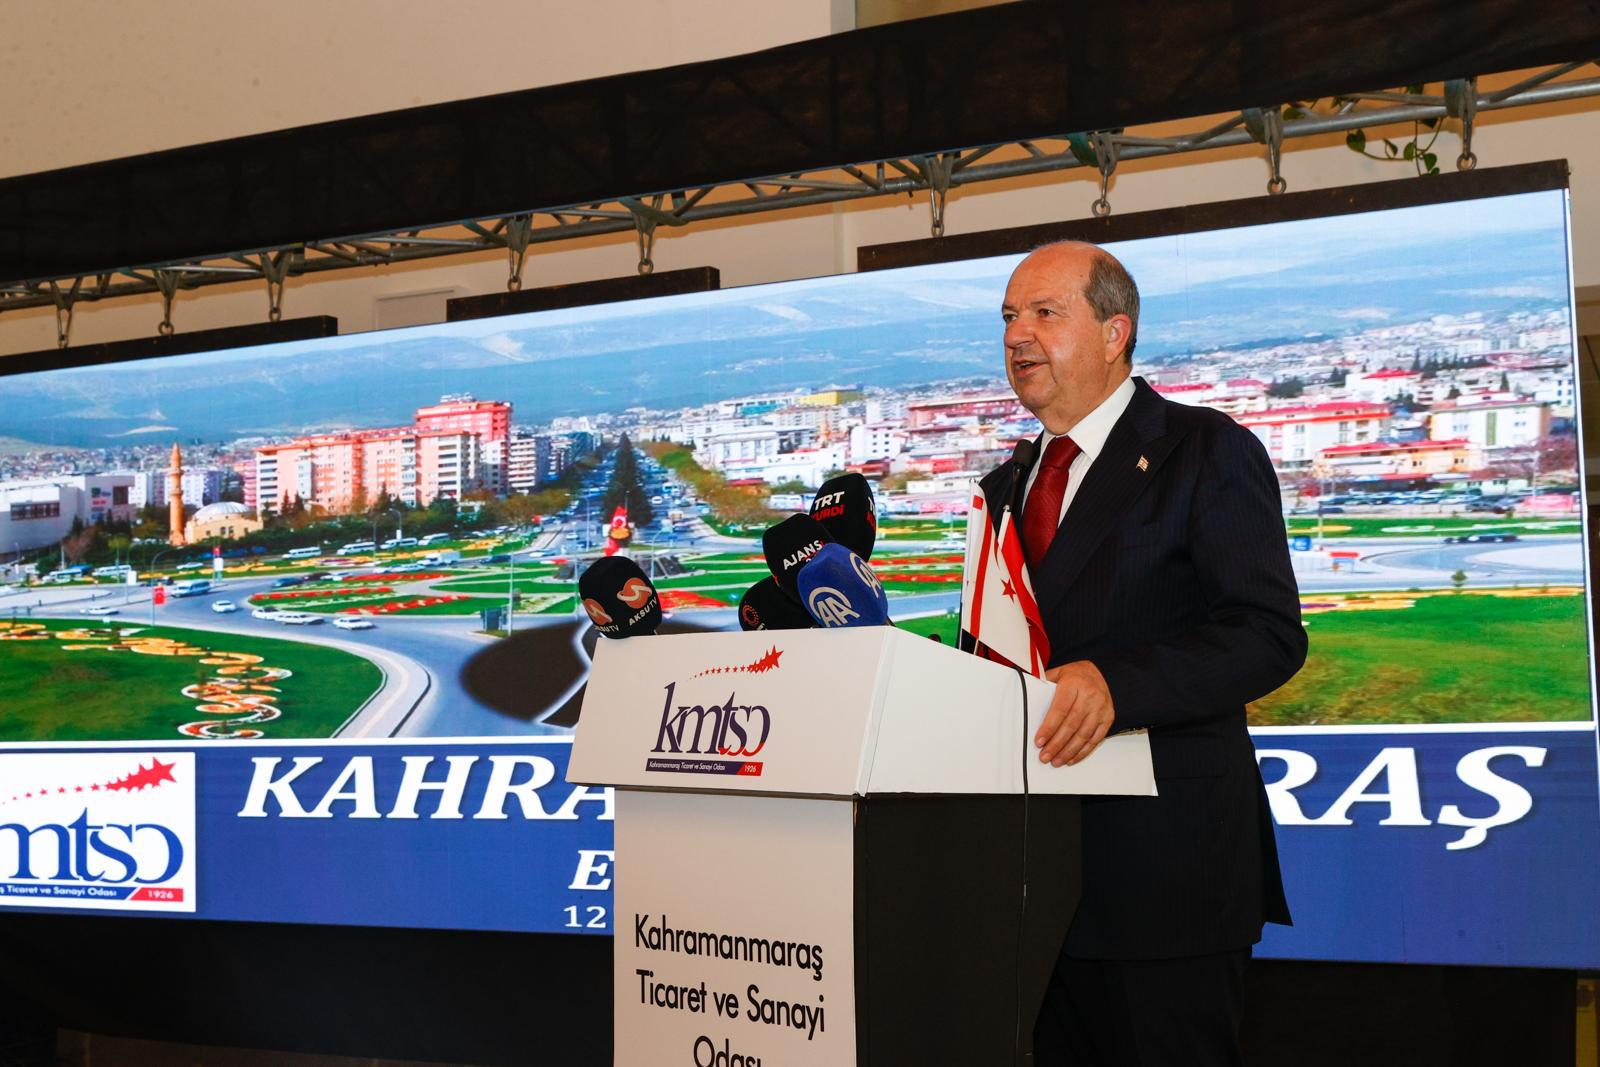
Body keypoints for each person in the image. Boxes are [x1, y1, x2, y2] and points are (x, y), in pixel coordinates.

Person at [977, 241, 1306, 1065]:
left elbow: (1267, 632)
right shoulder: (1005, 485)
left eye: (1044, 313)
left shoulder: (1204, 449)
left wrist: (1117, 684)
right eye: (1010, 316)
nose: (1018, 335)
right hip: (1034, 887)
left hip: (1166, 879)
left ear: (1114, 331)